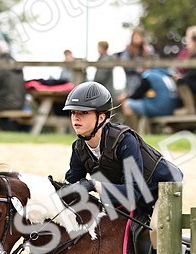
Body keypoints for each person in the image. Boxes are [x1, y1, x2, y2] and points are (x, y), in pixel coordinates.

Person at [62, 81, 182, 231]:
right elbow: (70, 185)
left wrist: (93, 185)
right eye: (73, 112)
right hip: (128, 197)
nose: (76, 118)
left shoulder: (124, 141)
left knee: (157, 230)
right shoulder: (79, 148)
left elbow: (133, 193)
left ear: (101, 117)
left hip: (163, 189)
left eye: (84, 112)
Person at [119, 28, 155, 95]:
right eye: (135, 37)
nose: (137, 39)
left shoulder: (147, 50)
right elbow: (125, 65)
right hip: (132, 84)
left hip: (146, 83)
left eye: (139, 37)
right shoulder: (128, 50)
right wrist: (139, 69)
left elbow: (153, 63)